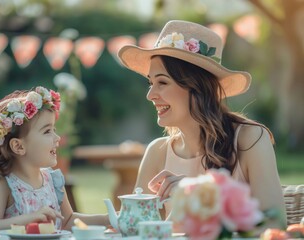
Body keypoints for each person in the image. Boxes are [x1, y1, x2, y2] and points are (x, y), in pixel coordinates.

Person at [117, 21, 286, 227]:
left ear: (197, 88)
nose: (150, 95)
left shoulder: (249, 139)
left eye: (162, 82)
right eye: (151, 83)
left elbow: (275, 224)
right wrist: (69, 215)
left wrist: (196, 196)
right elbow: (132, 225)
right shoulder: (157, 153)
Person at [0, 86, 109, 233]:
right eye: (47, 131)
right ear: (18, 146)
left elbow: (67, 221)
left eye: (54, 130)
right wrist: (29, 219)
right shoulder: (3, 185)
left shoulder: (53, 181)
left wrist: (107, 219)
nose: (57, 138)